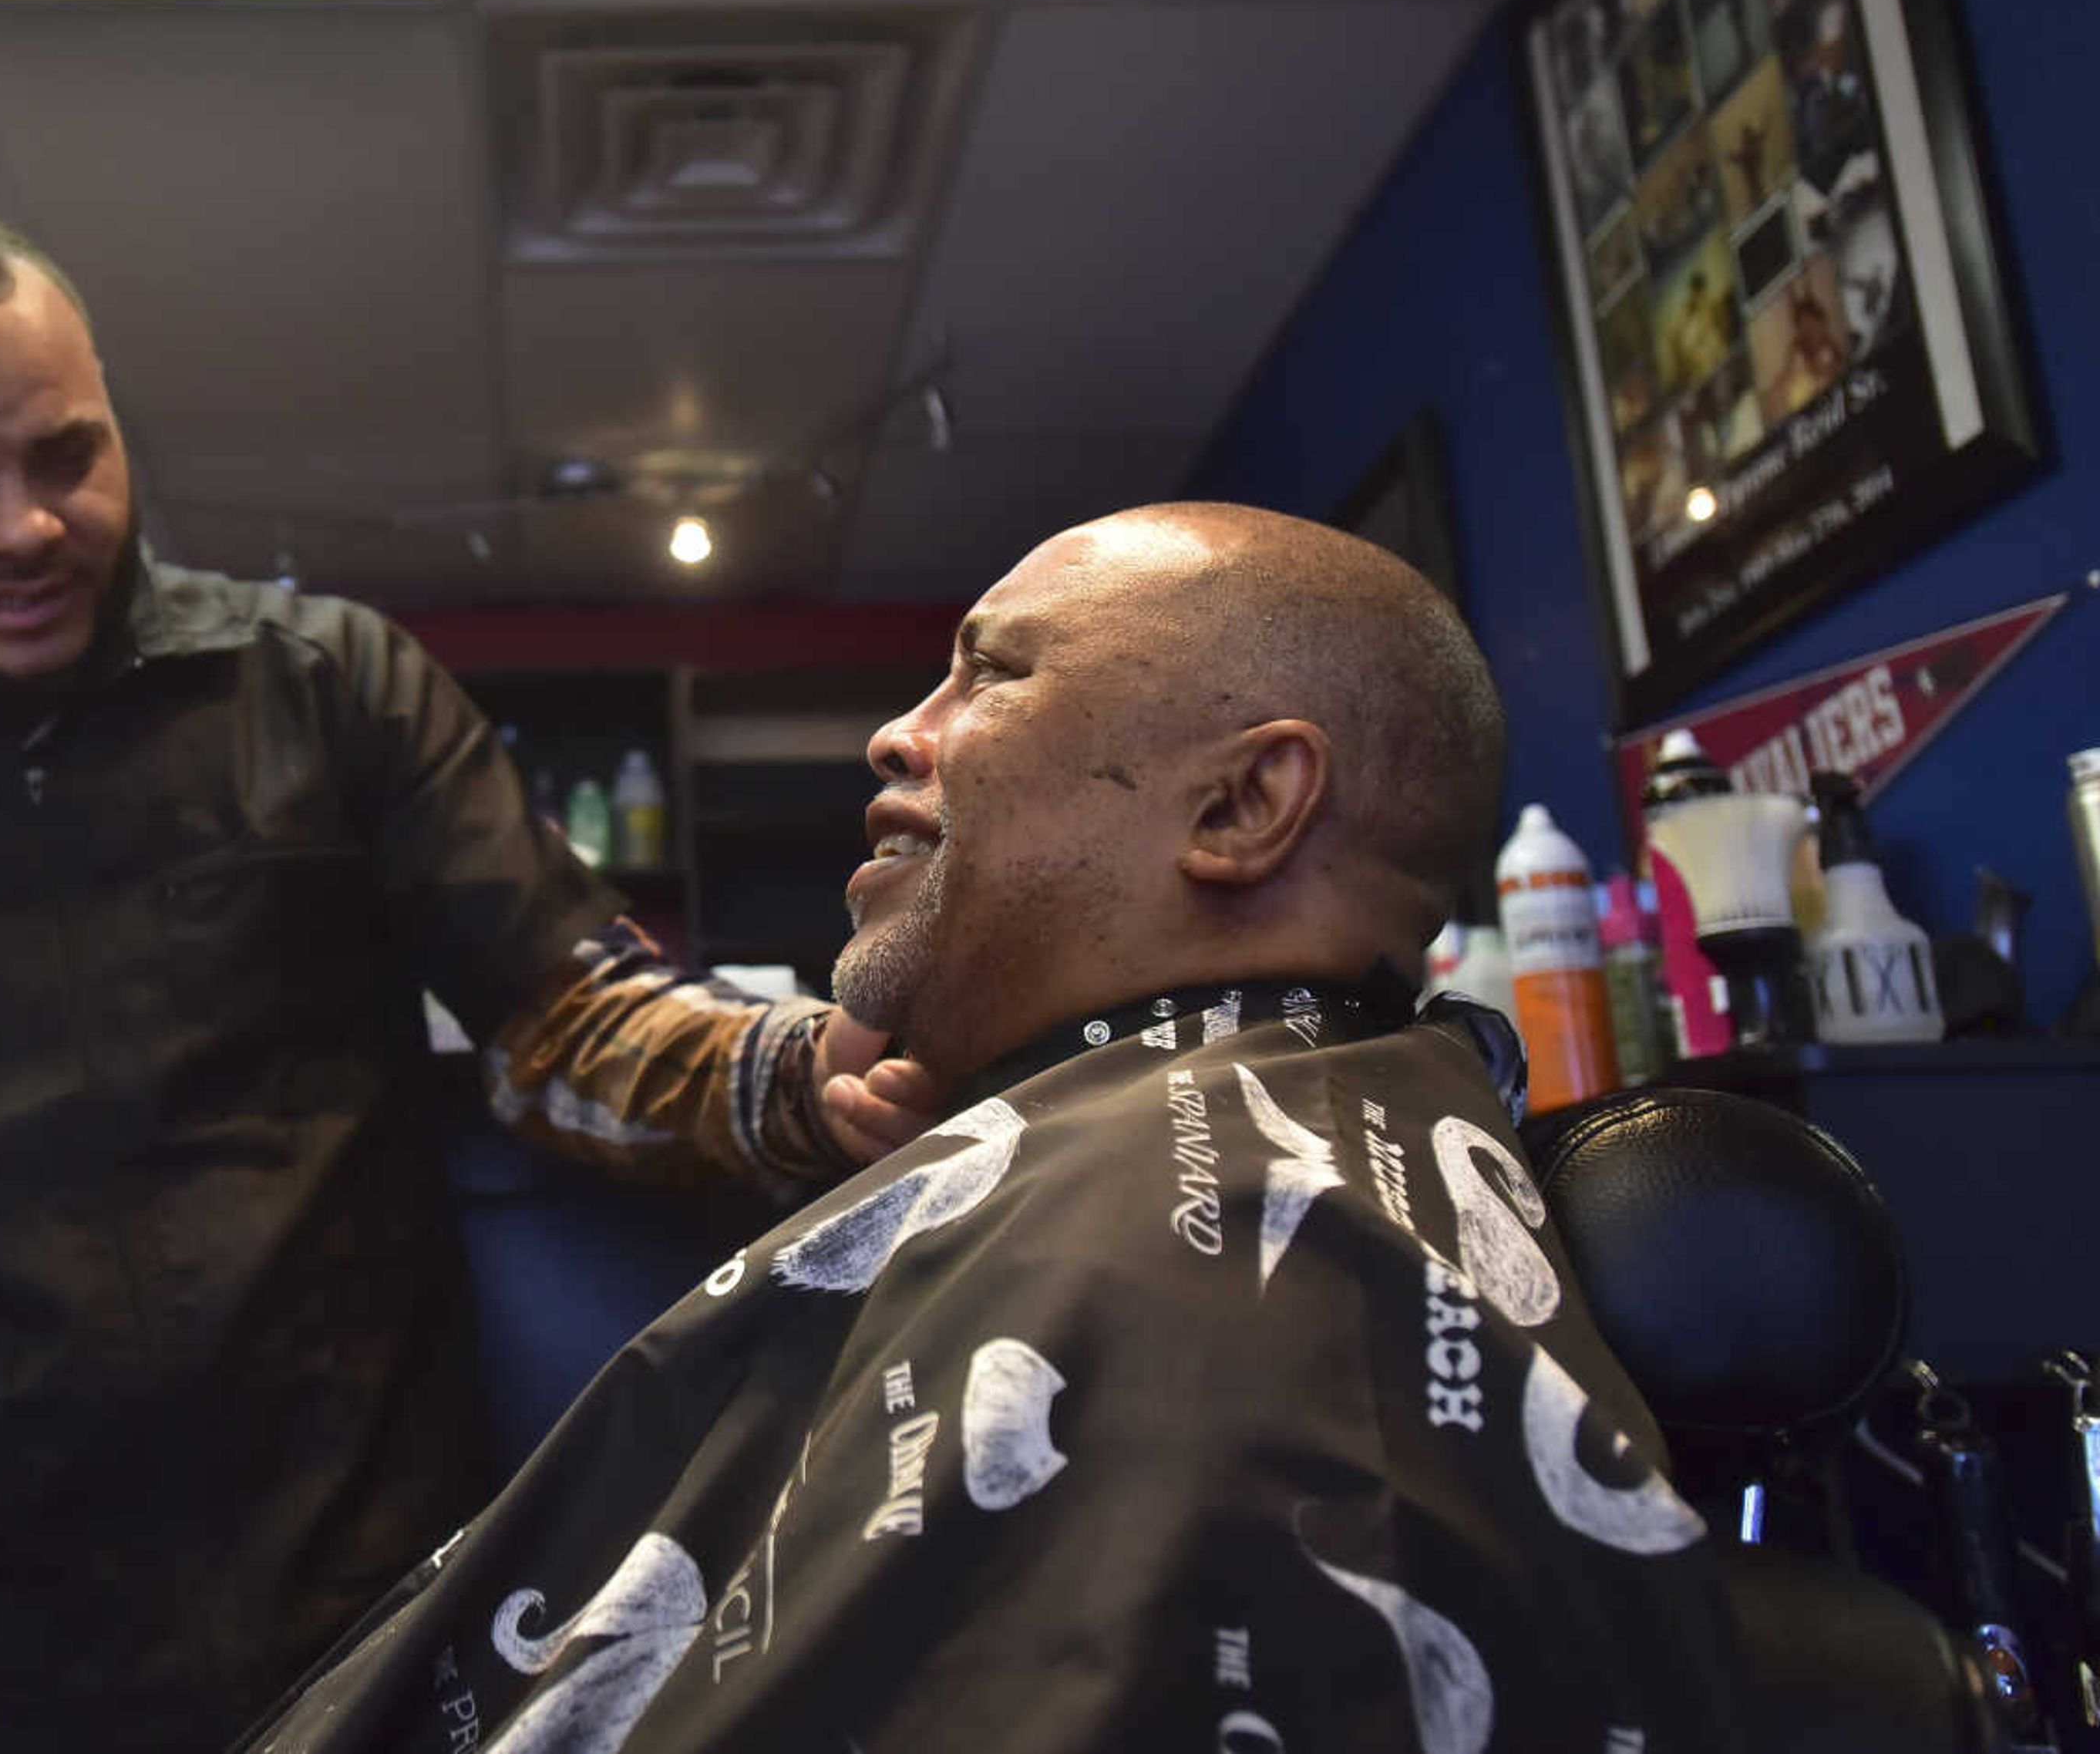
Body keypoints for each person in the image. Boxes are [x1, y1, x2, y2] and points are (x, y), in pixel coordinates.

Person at [0, 199, 934, 1751]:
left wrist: (787, 1074)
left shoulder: (331, 685)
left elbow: (564, 1014)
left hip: (360, 1612)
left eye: (65, 453)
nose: (20, 525)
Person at [241, 504, 1745, 1753]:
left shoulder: (1248, 1291)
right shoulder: (1154, 1159)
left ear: (1242, 804)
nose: (898, 734)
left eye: (994, 676)